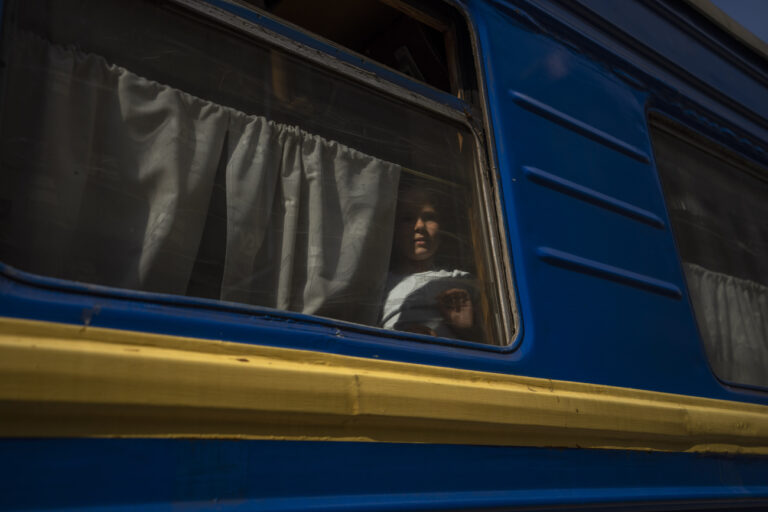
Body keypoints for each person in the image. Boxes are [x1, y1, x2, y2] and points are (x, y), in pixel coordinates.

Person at [380, 183, 480, 341]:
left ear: (442, 229)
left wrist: (465, 329)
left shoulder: (462, 281)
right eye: (407, 219)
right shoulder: (380, 284)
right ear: (393, 228)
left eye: (429, 218)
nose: (419, 226)